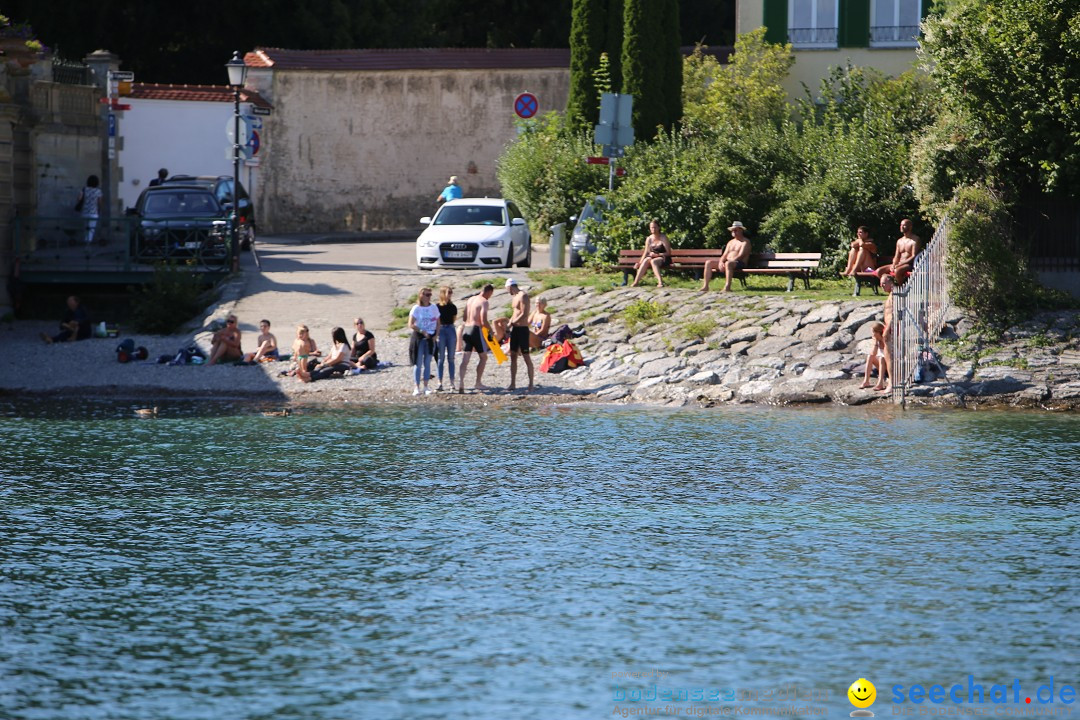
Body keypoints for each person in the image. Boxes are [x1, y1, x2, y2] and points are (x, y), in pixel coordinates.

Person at [458, 283, 494, 393]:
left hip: (466, 329)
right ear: (488, 292)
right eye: (490, 295)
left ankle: (461, 383)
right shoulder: (483, 301)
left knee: (465, 359)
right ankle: (478, 382)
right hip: (475, 330)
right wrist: (490, 331)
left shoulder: (470, 300)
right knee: (483, 357)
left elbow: (464, 317)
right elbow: (483, 320)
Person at [700, 221, 752, 292]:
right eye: (732, 230)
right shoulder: (730, 242)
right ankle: (705, 286)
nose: (733, 232)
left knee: (728, 264)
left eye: (735, 230)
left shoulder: (745, 242)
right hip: (728, 263)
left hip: (739, 263)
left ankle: (727, 287)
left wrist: (729, 262)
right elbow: (724, 255)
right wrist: (721, 262)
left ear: (741, 230)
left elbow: (741, 255)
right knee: (709, 263)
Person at [408, 286, 440, 395]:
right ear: (421, 295)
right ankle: (416, 387)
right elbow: (411, 324)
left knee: (427, 362)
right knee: (418, 362)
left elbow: (438, 321)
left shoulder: (434, 307)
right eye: (426, 295)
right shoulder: (416, 308)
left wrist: (436, 334)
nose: (428, 297)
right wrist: (422, 331)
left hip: (431, 336)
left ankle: (426, 386)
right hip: (419, 337)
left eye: (430, 295)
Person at [504, 278, 535, 393]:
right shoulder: (514, 297)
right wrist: (509, 325)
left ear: (510, 287)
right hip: (515, 330)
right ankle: (512, 383)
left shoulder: (523, 296)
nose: (507, 291)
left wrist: (512, 322)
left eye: (507, 289)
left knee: (526, 356)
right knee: (513, 355)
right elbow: (515, 313)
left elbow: (524, 313)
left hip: (522, 329)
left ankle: (531, 384)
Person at [876, 219, 922, 285]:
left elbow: (913, 256)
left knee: (897, 271)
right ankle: (890, 287)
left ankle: (901, 288)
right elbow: (897, 256)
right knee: (879, 271)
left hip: (909, 264)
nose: (902, 227)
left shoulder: (915, 240)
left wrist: (900, 264)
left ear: (910, 227)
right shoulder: (899, 241)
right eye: (901, 225)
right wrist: (894, 264)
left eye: (904, 225)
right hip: (898, 264)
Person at [630, 219, 672, 288]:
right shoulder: (649, 238)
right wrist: (639, 263)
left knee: (653, 261)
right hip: (652, 257)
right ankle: (636, 282)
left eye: (655, 227)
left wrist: (658, 255)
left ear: (659, 228)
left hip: (663, 257)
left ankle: (660, 282)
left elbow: (668, 253)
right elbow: (646, 252)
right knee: (646, 260)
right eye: (651, 227)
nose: (653, 229)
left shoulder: (663, 238)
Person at [434, 286, 457, 390]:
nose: (450, 294)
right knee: (441, 358)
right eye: (448, 292)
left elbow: (454, 319)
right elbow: (435, 321)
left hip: (450, 328)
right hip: (441, 330)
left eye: (451, 292)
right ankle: (440, 382)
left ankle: (452, 382)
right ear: (443, 293)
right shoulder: (437, 307)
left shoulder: (453, 307)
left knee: (451, 358)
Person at [878, 274, 897, 392]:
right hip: (889, 327)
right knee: (886, 355)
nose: (882, 286)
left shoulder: (895, 294)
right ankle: (889, 380)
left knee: (889, 356)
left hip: (892, 328)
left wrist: (887, 329)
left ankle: (891, 382)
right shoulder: (891, 294)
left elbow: (895, 313)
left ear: (890, 282)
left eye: (884, 283)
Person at [75, 175, 103, 245]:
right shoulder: (98, 191)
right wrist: (100, 210)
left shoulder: (84, 189)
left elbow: (79, 199)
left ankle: (86, 241)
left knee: (86, 228)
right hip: (94, 213)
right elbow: (99, 202)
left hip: (85, 211)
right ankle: (88, 244)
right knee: (91, 229)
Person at [860, 322, 887, 390]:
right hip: (882, 364)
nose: (872, 334)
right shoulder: (876, 339)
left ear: (877, 332)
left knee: (881, 358)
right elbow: (873, 353)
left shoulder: (886, 339)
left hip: (889, 364)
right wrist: (876, 342)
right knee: (870, 356)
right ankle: (866, 381)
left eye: (873, 332)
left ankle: (880, 383)